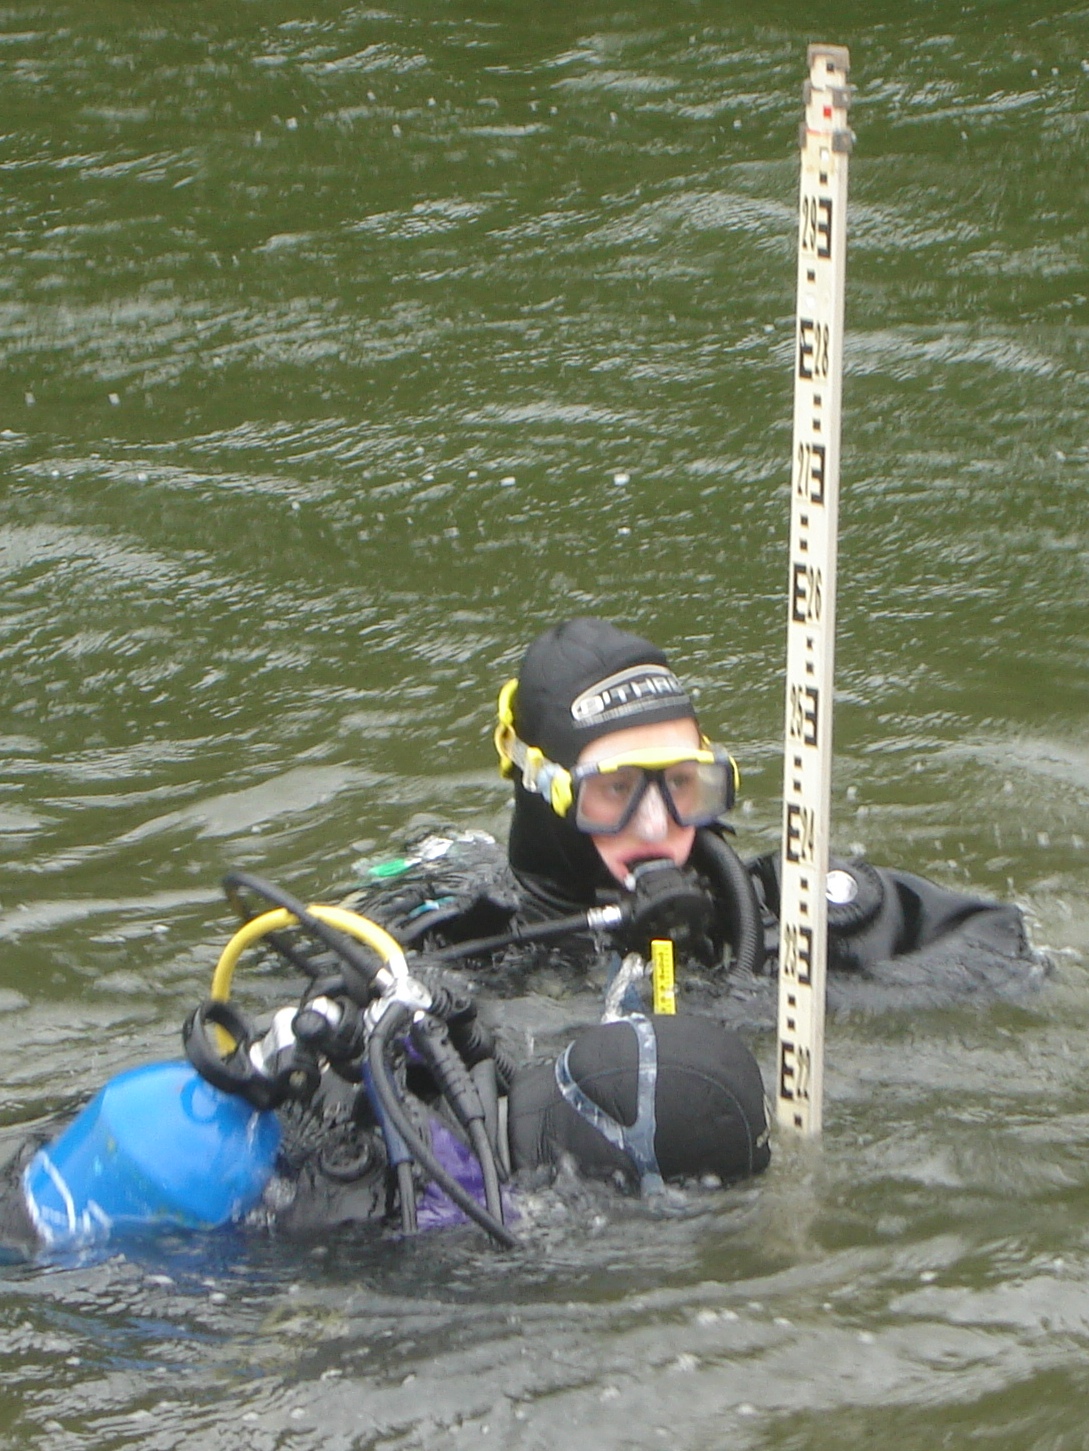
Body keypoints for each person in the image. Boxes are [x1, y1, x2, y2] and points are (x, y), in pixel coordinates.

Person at [352, 617, 1047, 1017]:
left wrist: (784, 1007)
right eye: (614, 789)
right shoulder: (459, 949)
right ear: (545, 793)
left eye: (684, 785)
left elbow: (1002, 941)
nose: (656, 825)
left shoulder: (777, 914)